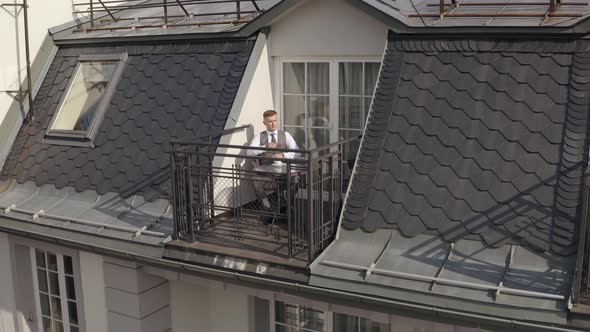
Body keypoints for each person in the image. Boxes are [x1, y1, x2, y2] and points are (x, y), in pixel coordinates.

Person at [246, 110, 299, 219]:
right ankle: (268, 208)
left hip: (284, 175)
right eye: (270, 121)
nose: (273, 123)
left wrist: (284, 156)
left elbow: (296, 152)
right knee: (256, 181)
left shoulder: (286, 135)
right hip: (267, 177)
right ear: (264, 123)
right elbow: (249, 152)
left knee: (295, 180)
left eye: (275, 120)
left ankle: (285, 207)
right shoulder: (259, 137)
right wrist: (265, 146)